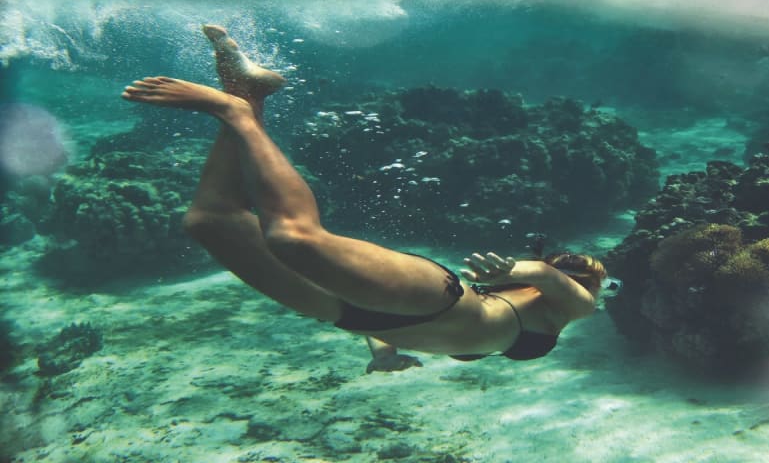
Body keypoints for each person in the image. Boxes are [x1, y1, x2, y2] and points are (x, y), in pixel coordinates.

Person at [122, 25, 606, 372]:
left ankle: (250, 94)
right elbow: (542, 271)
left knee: (210, 221)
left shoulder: (562, 306)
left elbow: (545, 276)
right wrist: (515, 271)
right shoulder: (572, 304)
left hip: (350, 317)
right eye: (575, 269)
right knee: (292, 237)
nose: (579, 275)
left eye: (582, 271)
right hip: (437, 298)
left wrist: (382, 350)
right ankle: (233, 111)